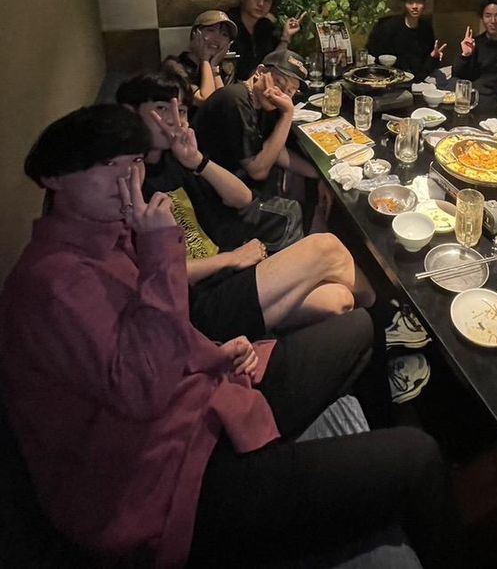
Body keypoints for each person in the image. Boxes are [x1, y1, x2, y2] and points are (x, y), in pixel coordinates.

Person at [0, 105, 462, 567]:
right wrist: (160, 249)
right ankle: (385, 480)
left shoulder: (109, 235)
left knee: (359, 324)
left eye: (135, 161)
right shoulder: (53, 285)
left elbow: (161, 331)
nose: (127, 178)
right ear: (54, 178)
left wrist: (212, 353)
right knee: (420, 456)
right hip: (168, 484)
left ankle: (375, 457)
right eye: (107, 164)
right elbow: (143, 387)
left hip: (202, 406)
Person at [117, 72, 375, 341]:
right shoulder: (129, 180)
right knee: (326, 247)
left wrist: (197, 161)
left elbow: (243, 199)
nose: (174, 119)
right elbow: (159, 270)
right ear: (130, 113)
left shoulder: (175, 159)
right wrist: (233, 258)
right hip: (201, 303)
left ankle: (374, 326)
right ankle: (386, 317)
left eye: (181, 110)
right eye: (161, 108)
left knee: (338, 299)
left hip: (227, 272)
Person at [193, 48, 332, 243]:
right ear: (260, 72)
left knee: (306, 195)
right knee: (311, 221)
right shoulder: (235, 100)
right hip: (215, 204)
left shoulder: (264, 102)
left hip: (238, 189)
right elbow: (258, 170)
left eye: (290, 91)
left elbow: (276, 151)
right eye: (278, 82)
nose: (281, 93)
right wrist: (287, 114)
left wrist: (321, 176)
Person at [226, 0, 306, 80]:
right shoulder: (227, 24)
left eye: (267, 1)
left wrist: (286, 36)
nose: (261, 4)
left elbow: (273, 63)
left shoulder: (266, 26)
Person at [367, 0, 447, 80]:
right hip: (387, 79)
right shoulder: (388, 27)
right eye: (410, 2)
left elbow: (424, 70)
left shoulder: (426, 29)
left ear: (424, 3)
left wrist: (433, 57)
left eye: (419, 2)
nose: (415, 6)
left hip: (417, 80)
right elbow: (373, 56)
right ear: (404, 4)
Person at [162, 9, 237, 110]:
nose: (217, 38)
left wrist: (214, 68)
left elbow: (225, 107)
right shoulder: (175, 66)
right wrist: (205, 59)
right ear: (195, 34)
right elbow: (206, 100)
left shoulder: (225, 69)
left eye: (224, 34)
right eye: (211, 30)